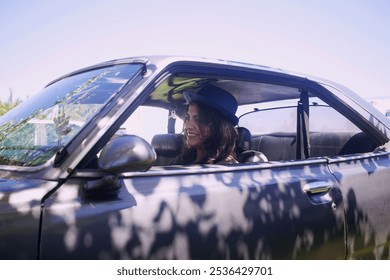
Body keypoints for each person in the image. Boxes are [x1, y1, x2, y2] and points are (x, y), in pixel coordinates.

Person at [171, 84, 239, 165]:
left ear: (220, 128)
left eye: (199, 120)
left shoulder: (226, 169)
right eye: (187, 118)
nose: (188, 126)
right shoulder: (181, 161)